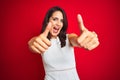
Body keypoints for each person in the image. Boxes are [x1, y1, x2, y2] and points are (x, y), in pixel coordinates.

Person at [28, 6, 99, 80]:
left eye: (61, 21)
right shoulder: (42, 41)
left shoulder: (68, 38)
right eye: (55, 19)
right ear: (47, 21)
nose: (58, 23)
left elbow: (75, 39)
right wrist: (32, 42)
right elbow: (33, 43)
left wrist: (81, 41)